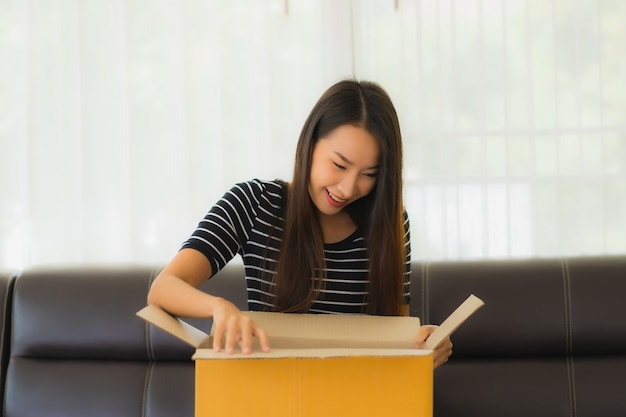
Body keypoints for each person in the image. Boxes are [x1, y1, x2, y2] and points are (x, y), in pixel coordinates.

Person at [147, 79, 453, 368]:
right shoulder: (254, 203)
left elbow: (398, 334)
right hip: (273, 394)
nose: (348, 188)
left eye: (369, 174)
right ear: (310, 143)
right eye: (339, 165)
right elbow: (163, 289)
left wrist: (425, 345)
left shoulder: (390, 224)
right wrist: (218, 307)